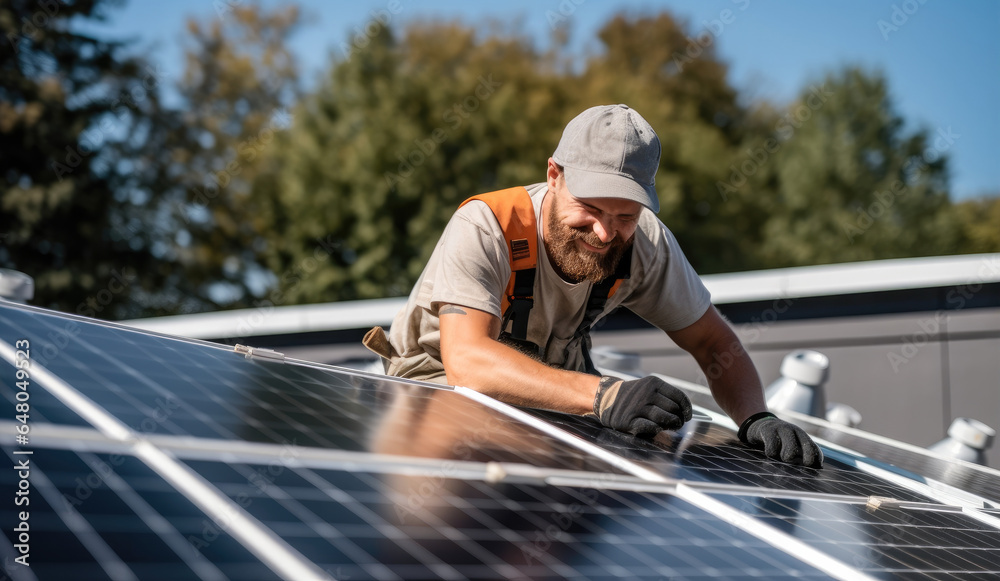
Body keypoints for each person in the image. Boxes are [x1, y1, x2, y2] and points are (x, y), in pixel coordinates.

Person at [365, 104, 823, 468]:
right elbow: (468, 362)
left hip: (561, 404)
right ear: (553, 176)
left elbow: (712, 341)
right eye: (590, 208)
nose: (605, 234)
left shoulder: (645, 243)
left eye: (624, 215)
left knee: (643, 470)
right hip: (435, 392)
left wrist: (754, 416)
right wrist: (604, 395)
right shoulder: (490, 225)